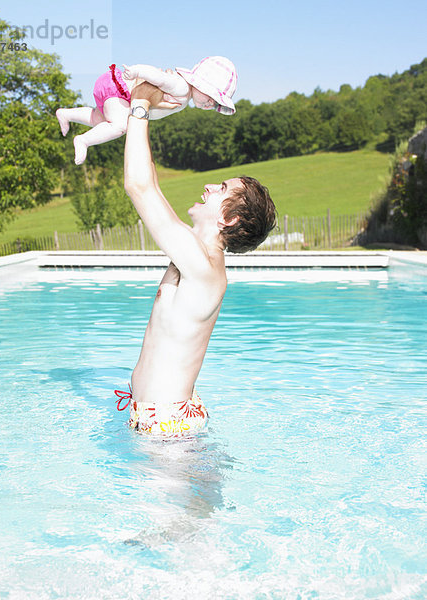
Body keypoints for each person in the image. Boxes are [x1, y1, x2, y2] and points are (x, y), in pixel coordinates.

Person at [114, 81, 277, 439]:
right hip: (162, 418)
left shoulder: (204, 268)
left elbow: (138, 187)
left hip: (166, 427)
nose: (208, 187)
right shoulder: (197, 257)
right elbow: (151, 185)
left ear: (228, 219)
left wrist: (140, 104)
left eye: (220, 190)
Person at [56, 56, 237, 165]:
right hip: (121, 89)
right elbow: (159, 77)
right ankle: (83, 140)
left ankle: (66, 114)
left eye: (214, 104)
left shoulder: (184, 95)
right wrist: (137, 72)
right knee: (120, 126)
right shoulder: (181, 87)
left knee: (99, 119)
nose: (210, 104)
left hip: (114, 88)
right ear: (199, 83)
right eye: (211, 97)